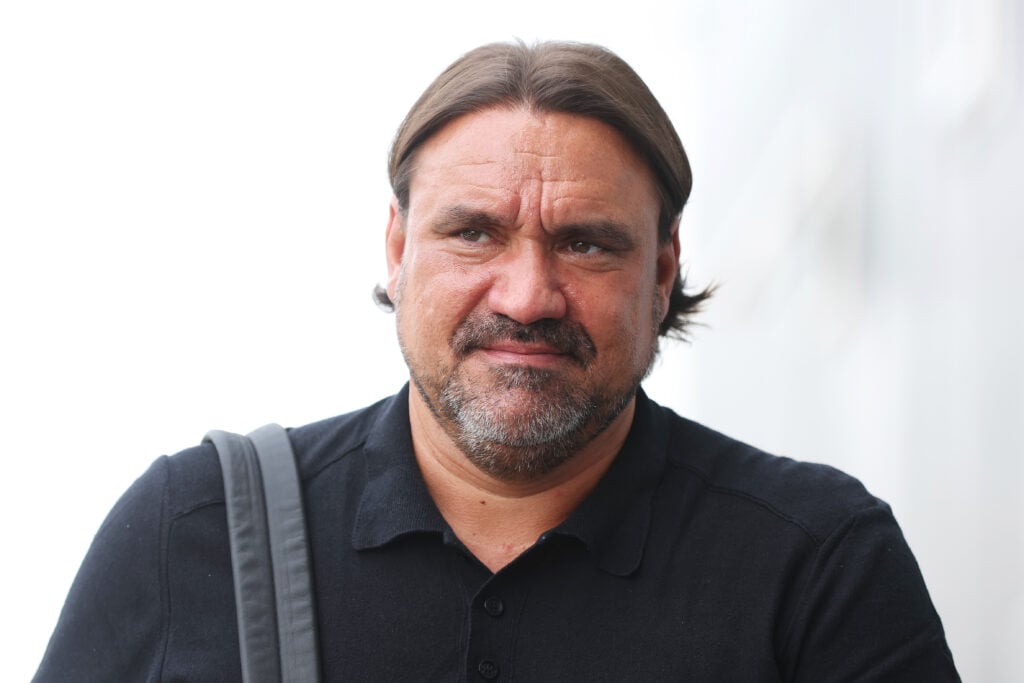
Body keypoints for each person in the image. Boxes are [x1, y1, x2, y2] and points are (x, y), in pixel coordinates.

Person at [35, 41, 959, 681]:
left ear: (664, 271)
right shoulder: (189, 531)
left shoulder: (815, 563)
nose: (526, 295)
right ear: (397, 250)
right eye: (474, 233)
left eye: (588, 244)